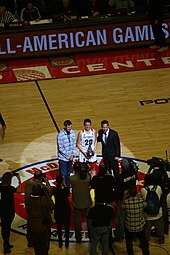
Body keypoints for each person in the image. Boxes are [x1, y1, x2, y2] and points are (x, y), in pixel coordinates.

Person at [113, 158, 138, 242]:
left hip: (123, 199)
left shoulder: (119, 177)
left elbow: (116, 189)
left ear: (122, 167)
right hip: (132, 197)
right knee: (133, 216)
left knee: (121, 218)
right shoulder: (133, 173)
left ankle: (119, 236)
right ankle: (134, 236)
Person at [25, 170, 51, 247]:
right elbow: (49, 191)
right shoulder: (42, 187)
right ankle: (41, 242)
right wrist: (46, 181)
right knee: (40, 227)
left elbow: (30, 183)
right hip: (38, 210)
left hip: (29, 208)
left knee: (30, 224)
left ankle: (30, 242)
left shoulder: (28, 184)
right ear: (41, 178)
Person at [26, 183, 54, 255]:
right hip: (42, 226)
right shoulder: (43, 199)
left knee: (36, 245)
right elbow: (52, 206)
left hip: (32, 226)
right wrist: (46, 195)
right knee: (44, 245)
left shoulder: (28, 199)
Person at [123, 185, 150, 255]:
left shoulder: (126, 202)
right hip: (140, 226)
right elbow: (146, 205)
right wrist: (140, 196)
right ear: (136, 193)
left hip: (129, 226)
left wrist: (124, 196)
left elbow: (122, 207)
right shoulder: (141, 201)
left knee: (128, 242)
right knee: (143, 242)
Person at [0, 171, 22, 255]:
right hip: (9, 210)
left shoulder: (1, 186)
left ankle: (6, 243)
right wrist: (19, 180)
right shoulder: (11, 188)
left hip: (2, 209)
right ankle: (6, 245)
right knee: (7, 228)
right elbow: (19, 190)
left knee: (4, 227)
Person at [70, 162, 92, 242]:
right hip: (87, 202)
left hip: (77, 202)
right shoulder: (87, 178)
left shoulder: (72, 179)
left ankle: (78, 238)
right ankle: (91, 236)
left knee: (77, 221)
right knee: (89, 221)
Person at [140, 174, 164, 245]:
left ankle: (146, 242)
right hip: (158, 213)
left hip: (147, 215)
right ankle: (161, 241)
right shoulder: (158, 188)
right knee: (160, 229)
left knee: (147, 230)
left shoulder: (143, 190)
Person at [52, 175, 71, 249]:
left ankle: (60, 242)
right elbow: (68, 193)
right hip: (66, 209)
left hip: (58, 210)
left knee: (59, 227)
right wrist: (65, 184)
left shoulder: (54, 190)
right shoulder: (65, 190)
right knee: (67, 226)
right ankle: (67, 243)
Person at [57, 119, 76, 188]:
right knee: (63, 175)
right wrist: (68, 156)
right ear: (65, 126)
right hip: (63, 159)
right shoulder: (60, 135)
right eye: (68, 127)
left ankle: (68, 187)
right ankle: (63, 187)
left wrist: (73, 154)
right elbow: (61, 148)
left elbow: (74, 144)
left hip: (71, 157)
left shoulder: (73, 133)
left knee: (69, 174)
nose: (69, 129)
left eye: (70, 127)